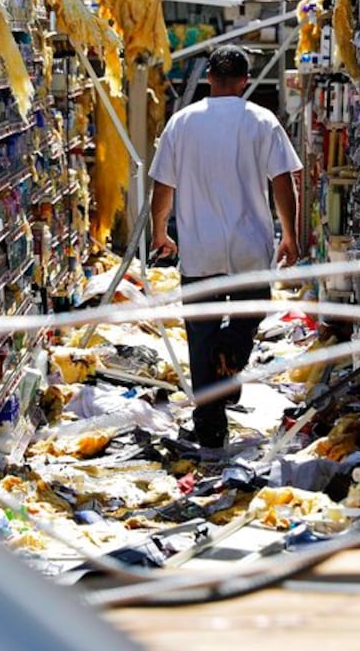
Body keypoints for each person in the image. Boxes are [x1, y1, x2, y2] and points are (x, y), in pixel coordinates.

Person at [148, 44, 301, 450]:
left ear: (209, 78)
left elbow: (162, 186)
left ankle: (210, 427)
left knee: (200, 335)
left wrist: (159, 231)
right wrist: (291, 235)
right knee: (252, 311)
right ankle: (232, 353)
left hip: (199, 247)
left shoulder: (181, 124)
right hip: (249, 244)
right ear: (246, 80)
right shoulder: (263, 121)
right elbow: (283, 182)